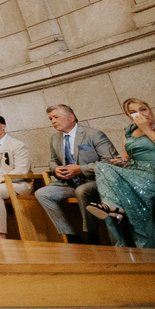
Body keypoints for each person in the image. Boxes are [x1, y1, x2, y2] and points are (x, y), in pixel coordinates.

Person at [90, 98, 155, 249]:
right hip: (135, 173)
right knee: (102, 167)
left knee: (113, 179)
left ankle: (116, 208)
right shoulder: (129, 131)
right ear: (129, 116)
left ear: (150, 109)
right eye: (133, 112)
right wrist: (121, 162)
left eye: (143, 109)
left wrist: (147, 130)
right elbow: (126, 158)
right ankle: (111, 206)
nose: (140, 114)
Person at [34, 103, 118, 244]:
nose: (53, 121)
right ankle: (71, 236)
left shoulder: (93, 134)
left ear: (71, 117)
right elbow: (53, 161)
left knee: (82, 191)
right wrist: (55, 169)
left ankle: (92, 236)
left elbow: (111, 161)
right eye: (50, 119)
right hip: (68, 183)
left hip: (94, 181)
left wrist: (81, 169)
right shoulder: (55, 138)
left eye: (56, 117)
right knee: (42, 193)